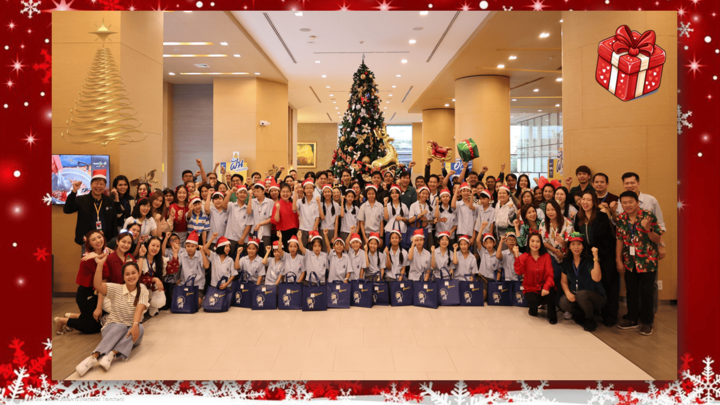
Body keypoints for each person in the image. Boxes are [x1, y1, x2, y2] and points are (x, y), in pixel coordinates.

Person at [74, 261, 149, 377]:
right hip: (112, 330)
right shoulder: (116, 288)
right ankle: (93, 357)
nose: (131, 276)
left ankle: (110, 355)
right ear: (123, 277)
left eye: (133, 273)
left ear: (138, 274)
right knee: (121, 326)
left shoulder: (143, 291)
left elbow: (139, 309)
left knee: (141, 327)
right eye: (127, 274)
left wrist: (135, 325)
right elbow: (98, 285)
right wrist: (100, 265)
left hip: (131, 333)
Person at [616, 172, 667, 316]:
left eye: (630, 202)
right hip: (629, 259)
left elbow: (658, 235)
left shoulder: (648, 213)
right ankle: (632, 317)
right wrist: (618, 259)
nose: (627, 205)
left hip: (647, 259)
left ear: (637, 202)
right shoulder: (621, 218)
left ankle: (647, 319)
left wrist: (649, 230)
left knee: (647, 290)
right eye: (624, 203)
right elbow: (619, 238)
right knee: (631, 290)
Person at [574, 190, 618, 326]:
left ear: (594, 202)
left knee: (608, 285)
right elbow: (579, 237)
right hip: (589, 257)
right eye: (583, 199)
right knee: (594, 285)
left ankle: (610, 316)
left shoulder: (601, 216)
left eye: (589, 200)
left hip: (605, 256)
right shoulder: (579, 217)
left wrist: (596, 253)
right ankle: (593, 313)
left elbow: (604, 237)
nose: (585, 202)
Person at [54, 231, 109, 335]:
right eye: (93, 239)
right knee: (91, 327)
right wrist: (98, 307)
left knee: (99, 322)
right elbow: (103, 277)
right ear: (89, 244)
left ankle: (72, 316)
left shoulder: (104, 251)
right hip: (87, 294)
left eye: (99, 237)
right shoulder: (88, 258)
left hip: (97, 292)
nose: (98, 240)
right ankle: (62, 320)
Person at [559, 233, 606, 332]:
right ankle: (580, 315)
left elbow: (597, 278)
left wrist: (595, 257)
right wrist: (568, 293)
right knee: (563, 302)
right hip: (576, 294)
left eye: (579, 244)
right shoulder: (567, 261)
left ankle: (590, 319)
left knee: (581, 294)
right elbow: (563, 281)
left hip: (594, 295)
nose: (576, 247)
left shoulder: (589, 260)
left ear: (583, 246)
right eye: (573, 244)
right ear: (569, 247)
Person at [64, 170, 118, 252]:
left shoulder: (109, 201)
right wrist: (74, 191)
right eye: (96, 183)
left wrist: (115, 238)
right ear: (91, 184)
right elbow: (67, 210)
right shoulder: (81, 200)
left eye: (101, 184)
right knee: (88, 260)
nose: (98, 186)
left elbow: (114, 221)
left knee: (105, 260)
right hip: (87, 241)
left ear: (105, 186)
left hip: (106, 241)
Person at [513, 232, 557, 324]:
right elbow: (519, 272)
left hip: (543, 286)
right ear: (528, 242)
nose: (535, 244)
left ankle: (552, 316)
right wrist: (516, 256)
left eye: (537, 241)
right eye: (532, 241)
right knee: (534, 302)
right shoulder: (524, 257)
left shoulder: (546, 256)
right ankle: (533, 309)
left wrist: (546, 287)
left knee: (551, 290)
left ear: (541, 243)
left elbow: (550, 274)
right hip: (530, 288)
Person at [540, 200, 572, 306]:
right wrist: (555, 251)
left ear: (558, 210)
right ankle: (555, 303)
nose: (550, 212)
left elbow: (571, 243)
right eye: (548, 210)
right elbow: (543, 241)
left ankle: (562, 303)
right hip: (551, 254)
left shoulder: (567, 222)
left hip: (566, 255)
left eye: (553, 209)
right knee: (555, 275)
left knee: (566, 277)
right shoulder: (543, 223)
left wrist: (563, 243)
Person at [137, 236, 175, 317]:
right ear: (148, 245)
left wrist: (175, 253)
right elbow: (138, 278)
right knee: (141, 287)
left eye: (158, 246)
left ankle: (152, 307)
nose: (155, 248)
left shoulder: (161, 260)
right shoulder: (140, 259)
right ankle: (140, 311)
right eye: (153, 245)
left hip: (154, 288)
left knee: (160, 302)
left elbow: (173, 269)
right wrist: (154, 279)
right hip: (142, 288)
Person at [174, 231, 205, 307]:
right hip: (184, 284)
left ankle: (200, 298)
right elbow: (175, 267)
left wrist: (203, 252)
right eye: (188, 246)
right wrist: (175, 253)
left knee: (196, 304)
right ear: (185, 246)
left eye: (192, 246)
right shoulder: (182, 255)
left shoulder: (200, 254)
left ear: (196, 246)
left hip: (197, 285)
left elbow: (206, 266)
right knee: (177, 303)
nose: (190, 248)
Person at [272, 183, 300, 249]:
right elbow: (276, 220)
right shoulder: (277, 204)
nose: (285, 194)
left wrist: (295, 191)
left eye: (287, 192)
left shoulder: (293, 204)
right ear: (280, 192)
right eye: (283, 192)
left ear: (290, 193)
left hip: (293, 231)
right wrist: (278, 210)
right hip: (281, 233)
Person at [294, 179, 322, 246]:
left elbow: (317, 219)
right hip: (302, 230)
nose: (309, 190)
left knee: (312, 249)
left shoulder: (317, 201)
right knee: (301, 250)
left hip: (313, 230)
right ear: (304, 190)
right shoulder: (300, 201)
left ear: (313, 189)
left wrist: (312, 233)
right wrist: (295, 192)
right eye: (307, 188)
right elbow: (294, 209)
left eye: (310, 188)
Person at [452, 183, 476, 247]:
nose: (466, 193)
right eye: (464, 191)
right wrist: (456, 190)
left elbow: (476, 222)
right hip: (461, 232)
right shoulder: (458, 204)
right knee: (460, 251)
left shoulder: (474, 206)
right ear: (460, 192)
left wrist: (473, 237)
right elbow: (453, 205)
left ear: (470, 192)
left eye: (468, 191)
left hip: (471, 234)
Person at [251, 182, 274, 250]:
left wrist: (260, 224)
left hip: (265, 232)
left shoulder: (270, 202)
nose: (256, 193)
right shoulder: (252, 201)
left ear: (263, 191)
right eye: (254, 191)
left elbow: (271, 218)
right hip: (254, 231)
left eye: (258, 191)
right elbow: (248, 213)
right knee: (253, 251)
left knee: (266, 251)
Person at [319, 184, 341, 250]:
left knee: (333, 250)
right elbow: (320, 218)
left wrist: (335, 235)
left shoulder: (336, 205)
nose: (327, 194)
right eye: (325, 192)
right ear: (323, 194)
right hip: (322, 230)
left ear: (331, 193)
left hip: (332, 230)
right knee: (323, 250)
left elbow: (336, 221)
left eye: (328, 192)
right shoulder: (320, 204)